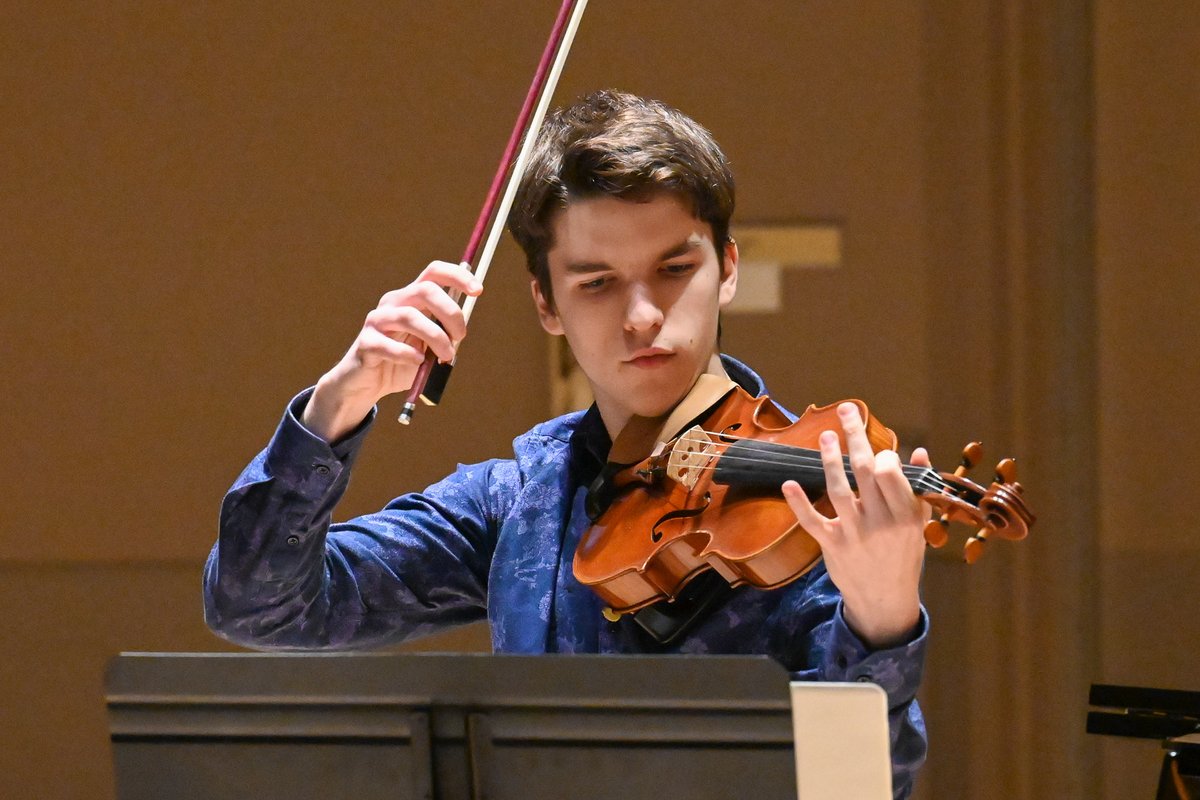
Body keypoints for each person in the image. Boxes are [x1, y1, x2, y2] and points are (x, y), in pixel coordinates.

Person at [203, 90, 931, 797]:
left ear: (728, 268)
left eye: (675, 270)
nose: (644, 316)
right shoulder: (518, 503)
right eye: (598, 283)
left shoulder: (818, 505)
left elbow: (863, 786)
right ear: (546, 304)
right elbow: (261, 606)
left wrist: (882, 615)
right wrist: (339, 401)